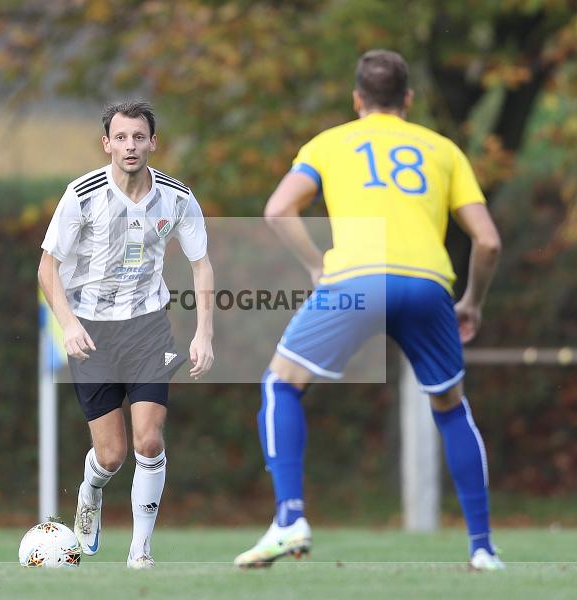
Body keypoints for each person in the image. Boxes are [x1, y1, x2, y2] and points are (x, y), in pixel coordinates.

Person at [233, 50, 504, 570]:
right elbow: (488, 242)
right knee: (451, 408)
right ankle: (483, 548)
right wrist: (472, 301)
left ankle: (290, 519)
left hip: (356, 280)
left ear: (357, 99)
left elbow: (277, 210)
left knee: (280, 383)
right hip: (429, 285)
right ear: (408, 99)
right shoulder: (443, 149)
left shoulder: (330, 144)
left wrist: (317, 266)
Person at [38, 100, 214, 570]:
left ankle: (141, 550)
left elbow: (201, 266)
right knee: (112, 455)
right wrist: (69, 324)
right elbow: (47, 268)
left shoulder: (178, 198)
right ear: (107, 144)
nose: (130, 146)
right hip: (91, 332)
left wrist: (203, 334)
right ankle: (91, 489)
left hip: (149, 329)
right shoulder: (81, 194)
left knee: (149, 441)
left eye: (139, 137)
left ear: (153, 143)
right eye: (121, 138)